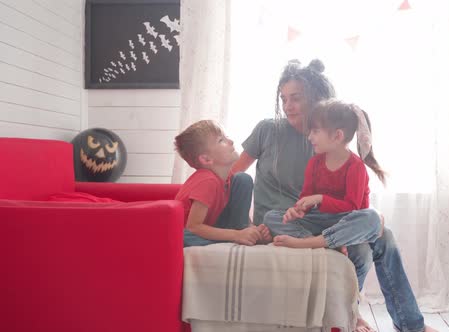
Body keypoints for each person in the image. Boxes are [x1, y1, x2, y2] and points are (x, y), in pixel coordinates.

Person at [231, 59, 434, 332]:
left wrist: (365, 217)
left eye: (296, 98)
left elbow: (346, 196)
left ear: (314, 100)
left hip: (321, 220)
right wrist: (238, 224)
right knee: (358, 243)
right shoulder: (268, 130)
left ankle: (409, 325)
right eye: (283, 99)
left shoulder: (324, 140)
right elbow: (232, 176)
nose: (287, 106)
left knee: (383, 235)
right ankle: (350, 313)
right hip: (283, 222)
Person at [263, 99, 383, 251]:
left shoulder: (356, 166)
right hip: (319, 219)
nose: (310, 137)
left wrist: (320, 198)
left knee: (372, 218)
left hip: (346, 221)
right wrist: (297, 210)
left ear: (337, 136)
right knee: (271, 217)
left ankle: (309, 243)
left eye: (315, 131)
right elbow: (306, 197)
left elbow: (352, 207)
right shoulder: (314, 163)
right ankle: (317, 241)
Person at [174, 120, 271, 247]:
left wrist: (252, 230)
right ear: (206, 159)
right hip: (187, 232)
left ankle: (243, 231)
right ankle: (236, 236)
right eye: (221, 140)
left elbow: (235, 211)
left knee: (243, 179)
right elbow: (193, 227)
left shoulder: (227, 178)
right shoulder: (207, 181)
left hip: (213, 225)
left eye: (226, 138)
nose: (230, 142)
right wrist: (235, 235)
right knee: (182, 237)